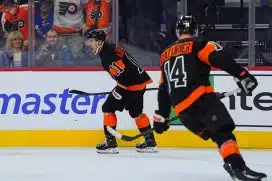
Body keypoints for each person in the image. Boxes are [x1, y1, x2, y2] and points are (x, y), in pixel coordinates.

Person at [152, 15, 267, 181]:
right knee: (223, 132)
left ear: (178, 32)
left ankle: (235, 166)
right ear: (195, 30)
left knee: (219, 135)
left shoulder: (164, 55)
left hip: (183, 112)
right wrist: (242, 75)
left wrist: (162, 115)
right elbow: (219, 58)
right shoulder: (199, 44)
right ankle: (237, 167)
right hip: (201, 101)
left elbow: (163, 89)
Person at [84, 29, 157, 154]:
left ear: (100, 42)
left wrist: (118, 92)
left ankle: (110, 143)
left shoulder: (108, 55)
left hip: (130, 85)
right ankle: (150, 142)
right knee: (136, 112)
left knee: (107, 108)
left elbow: (124, 77)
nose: (88, 44)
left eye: (91, 41)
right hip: (140, 82)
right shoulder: (109, 48)